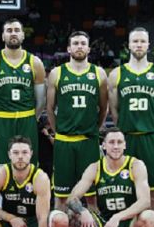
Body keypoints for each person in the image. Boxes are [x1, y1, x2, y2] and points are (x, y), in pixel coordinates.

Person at [107, 27, 154, 227]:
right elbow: (114, 111)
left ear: (149, 45)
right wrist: (124, 132)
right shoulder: (116, 75)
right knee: (123, 194)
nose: (139, 45)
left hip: (151, 138)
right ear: (128, 45)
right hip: (127, 139)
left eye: (143, 41)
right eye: (135, 41)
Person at [64, 127, 154, 227]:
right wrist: (83, 211)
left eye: (119, 142)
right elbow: (71, 198)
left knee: (150, 217)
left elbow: (145, 201)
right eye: (111, 142)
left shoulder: (135, 165)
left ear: (125, 145)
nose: (115, 146)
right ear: (104, 146)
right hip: (104, 224)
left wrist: (118, 217)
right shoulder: (95, 168)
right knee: (70, 215)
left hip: (129, 225)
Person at [46, 30, 108, 210]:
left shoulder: (99, 73)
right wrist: (58, 132)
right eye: (75, 43)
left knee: (91, 197)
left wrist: (95, 129)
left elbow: (104, 108)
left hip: (89, 141)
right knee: (61, 196)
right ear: (68, 48)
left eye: (82, 43)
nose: (79, 46)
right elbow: (50, 108)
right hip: (64, 141)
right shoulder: (57, 73)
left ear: (88, 49)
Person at [0, 18, 46, 173]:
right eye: (9, 31)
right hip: (1, 119)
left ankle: (27, 196)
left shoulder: (35, 62)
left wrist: (31, 118)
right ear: (3, 36)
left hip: (27, 119)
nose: (13, 34)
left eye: (17, 30)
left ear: (23, 35)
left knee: (27, 166)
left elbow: (41, 101)